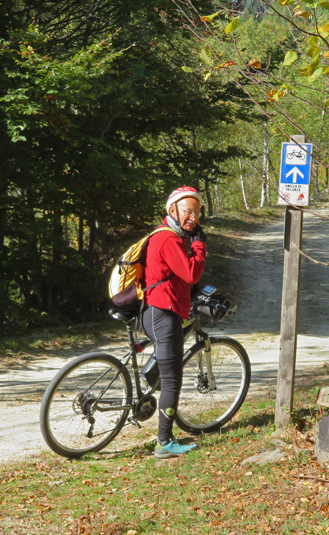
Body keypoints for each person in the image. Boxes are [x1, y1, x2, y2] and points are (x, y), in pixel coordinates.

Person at [141, 186, 207, 458]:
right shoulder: (168, 239)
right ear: (173, 210)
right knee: (172, 380)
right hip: (162, 314)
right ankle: (164, 443)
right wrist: (200, 244)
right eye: (188, 210)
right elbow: (191, 273)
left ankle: (146, 388)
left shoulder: (173, 237)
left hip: (160, 312)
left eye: (197, 212)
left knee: (167, 370)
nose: (193, 216)